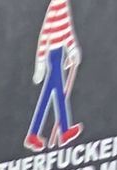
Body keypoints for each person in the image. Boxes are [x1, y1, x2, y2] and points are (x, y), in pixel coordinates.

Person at [27, 0, 82, 150]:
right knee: (58, 93)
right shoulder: (56, 5)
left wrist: (72, 49)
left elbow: (66, 29)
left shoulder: (63, 4)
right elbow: (45, 34)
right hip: (53, 54)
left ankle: (35, 134)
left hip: (59, 53)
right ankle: (63, 131)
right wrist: (40, 63)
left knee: (49, 94)